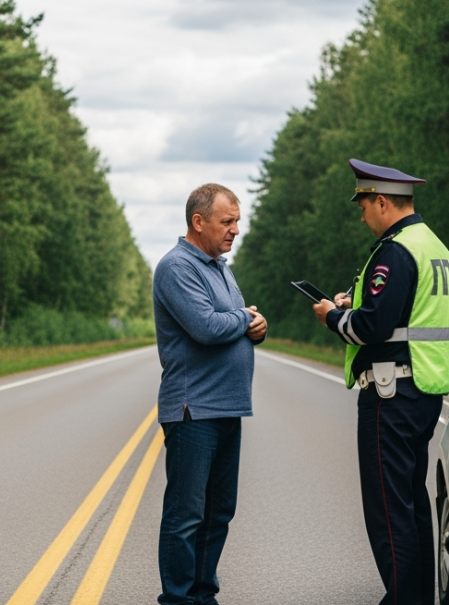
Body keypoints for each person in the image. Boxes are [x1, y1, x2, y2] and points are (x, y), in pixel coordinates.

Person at [311, 159, 449, 605]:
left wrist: (332, 316)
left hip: (390, 396)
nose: (362, 217)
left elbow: (372, 327)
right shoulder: (433, 245)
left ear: (381, 202)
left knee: (388, 512)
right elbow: (403, 316)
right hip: (423, 391)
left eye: (363, 207)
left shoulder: (395, 251)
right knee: (411, 503)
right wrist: (351, 306)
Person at [152, 183, 267, 605]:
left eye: (237, 221)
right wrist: (244, 317)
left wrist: (257, 327)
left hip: (227, 407)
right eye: (227, 221)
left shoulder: (219, 266)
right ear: (198, 222)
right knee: (186, 516)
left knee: (218, 513)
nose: (235, 229)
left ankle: (203, 595)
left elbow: (233, 322)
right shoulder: (176, 267)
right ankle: (178, 599)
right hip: (193, 410)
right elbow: (205, 326)